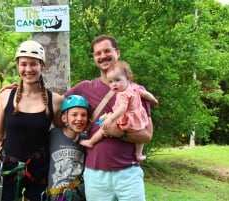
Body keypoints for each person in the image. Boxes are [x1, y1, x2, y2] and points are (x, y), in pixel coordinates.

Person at [64, 34, 154, 201]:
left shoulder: (136, 91)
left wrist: (119, 133)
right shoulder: (85, 88)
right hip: (95, 175)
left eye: (107, 51)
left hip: (128, 173)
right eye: (98, 53)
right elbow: (56, 102)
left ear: (117, 53)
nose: (102, 56)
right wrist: (23, 89)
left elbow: (147, 135)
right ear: (94, 57)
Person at [0, 40, 63, 201]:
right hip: (8, 168)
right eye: (23, 64)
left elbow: (64, 132)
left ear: (42, 66)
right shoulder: (5, 97)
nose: (28, 69)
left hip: (39, 170)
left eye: (34, 64)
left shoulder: (55, 101)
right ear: (18, 67)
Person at [80, 60, 158, 161]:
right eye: (111, 82)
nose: (114, 84)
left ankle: (91, 142)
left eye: (117, 80)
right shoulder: (134, 88)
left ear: (127, 78)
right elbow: (146, 94)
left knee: (103, 127)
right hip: (137, 120)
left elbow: (122, 108)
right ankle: (138, 154)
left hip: (126, 120)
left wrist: (110, 118)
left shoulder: (122, 94)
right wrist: (154, 100)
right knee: (139, 139)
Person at [44, 95, 89, 201]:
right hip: (55, 195)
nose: (79, 119)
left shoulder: (87, 140)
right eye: (74, 115)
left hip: (78, 196)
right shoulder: (53, 135)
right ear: (64, 118)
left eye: (84, 115)